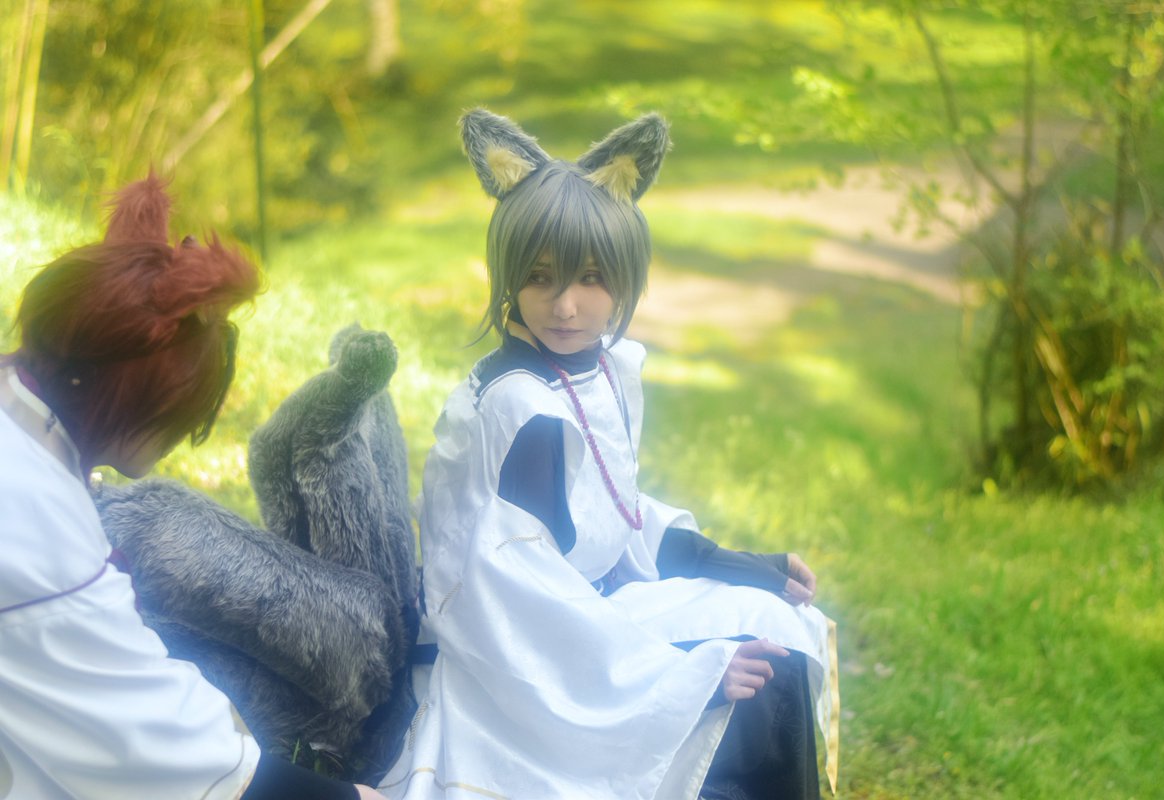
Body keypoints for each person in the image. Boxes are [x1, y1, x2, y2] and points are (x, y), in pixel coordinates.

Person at [377, 111, 836, 800]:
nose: (565, 306)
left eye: (591, 278)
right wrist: (682, 676)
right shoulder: (520, 406)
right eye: (540, 278)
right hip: (528, 662)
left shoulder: (601, 370)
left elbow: (613, 511)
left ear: (624, 275)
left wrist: (740, 566)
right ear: (508, 275)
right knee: (757, 672)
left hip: (591, 615)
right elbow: (517, 600)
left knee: (779, 622)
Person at [0, 174, 387, 800]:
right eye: (181, 412)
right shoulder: (35, 522)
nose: (182, 436)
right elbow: (152, 749)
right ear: (129, 396)